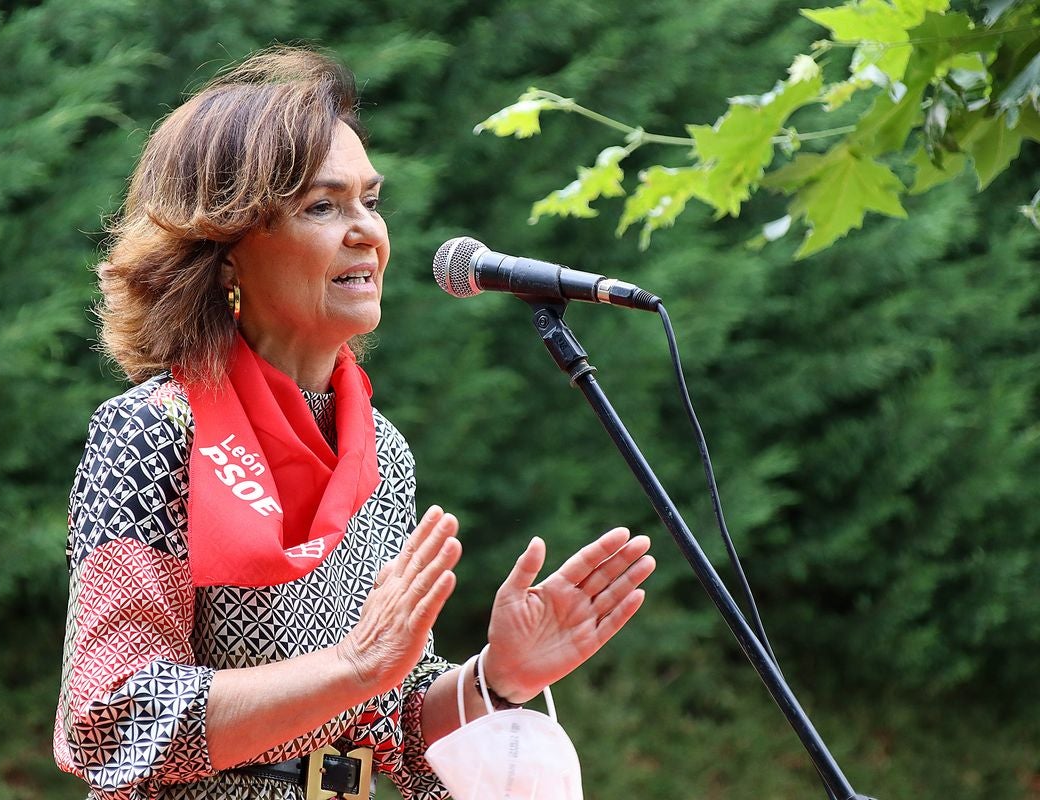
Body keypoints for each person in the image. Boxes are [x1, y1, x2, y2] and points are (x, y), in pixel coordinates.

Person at [54, 46, 656, 800]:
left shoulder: (380, 451)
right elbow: (112, 718)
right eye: (322, 206)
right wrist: (355, 665)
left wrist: (496, 677)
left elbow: (390, 728)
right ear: (227, 247)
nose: (368, 230)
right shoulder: (152, 433)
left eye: (371, 200)